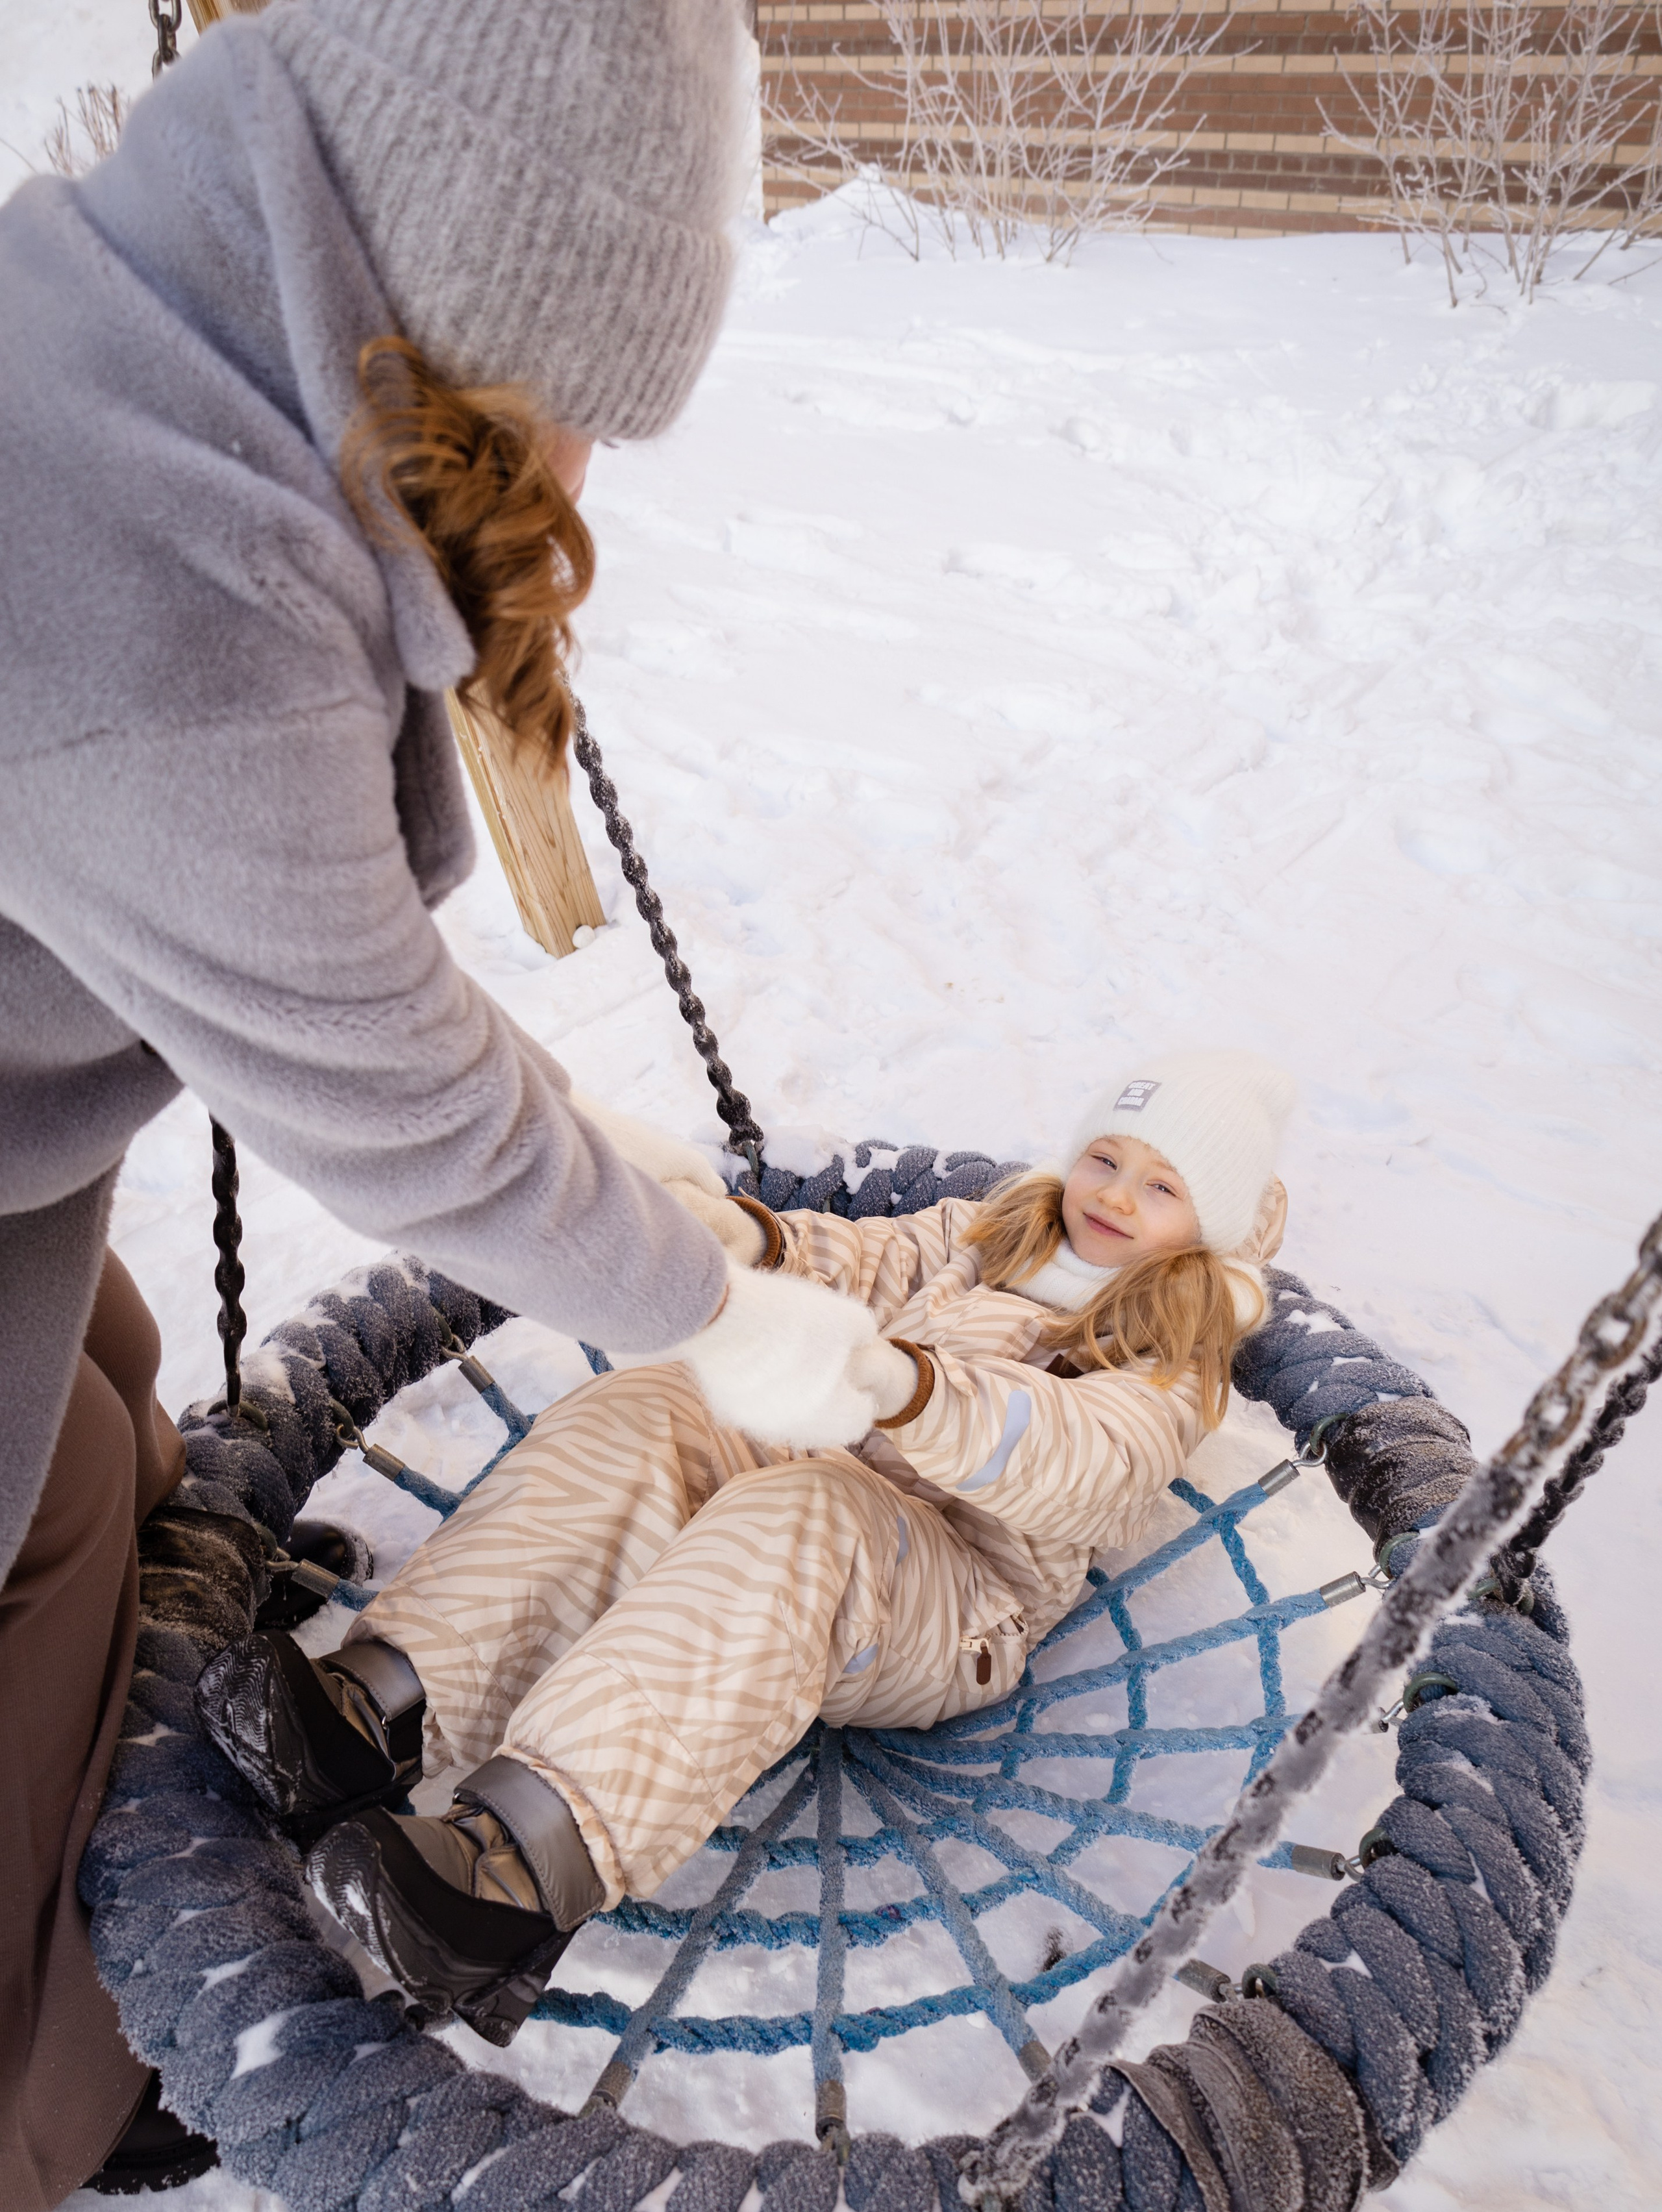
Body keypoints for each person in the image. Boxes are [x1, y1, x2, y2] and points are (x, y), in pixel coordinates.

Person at [0, 2, 884, 2198]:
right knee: (41, 1523)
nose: (576, 473)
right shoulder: (149, 591)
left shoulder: (138, 314)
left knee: (105, 1396)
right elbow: (394, 1091)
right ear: (459, 298)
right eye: (573, 408)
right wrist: (713, 1294)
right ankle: (54, 2090)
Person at [197, 1051, 1295, 2044]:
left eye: (1162, 1186)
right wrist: (754, 1241)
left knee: (807, 1512)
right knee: (654, 1405)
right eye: (1106, 1156)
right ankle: (381, 1708)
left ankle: (511, 1876)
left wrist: (903, 1387)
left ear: (1209, 1225)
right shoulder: (1000, 1228)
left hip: (951, 1597)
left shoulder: (1173, 1355)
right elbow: (866, 1261)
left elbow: (1079, 1460)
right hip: (822, 1476)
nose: (1113, 1195)